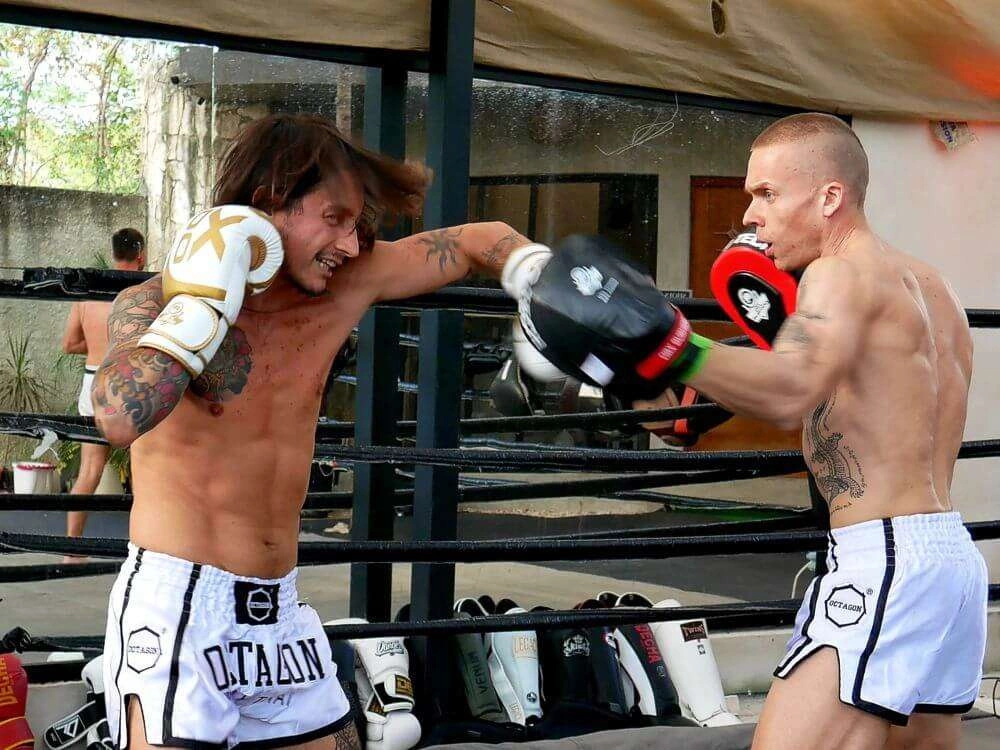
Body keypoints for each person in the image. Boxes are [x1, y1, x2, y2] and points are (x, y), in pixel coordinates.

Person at [502, 113, 987, 750]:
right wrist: (679, 384)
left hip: (885, 558)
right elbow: (851, 399)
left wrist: (673, 344)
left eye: (767, 194)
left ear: (830, 197)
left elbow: (791, 390)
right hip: (949, 558)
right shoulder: (932, 285)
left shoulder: (838, 274)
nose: (751, 216)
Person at [90, 113, 532, 750]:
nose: (349, 244)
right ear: (269, 200)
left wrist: (536, 272)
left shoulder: (343, 286)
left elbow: (473, 241)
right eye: (334, 218)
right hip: (180, 606)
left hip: (280, 610)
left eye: (356, 224)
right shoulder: (151, 304)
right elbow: (116, 418)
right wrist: (201, 309)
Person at [60, 228, 145, 562]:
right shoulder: (143, 292)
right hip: (128, 381)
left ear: (113, 253)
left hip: (93, 381)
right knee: (145, 469)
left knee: (89, 471)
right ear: (140, 254)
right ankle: (144, 552)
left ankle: (71, 551)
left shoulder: (88, 295)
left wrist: (99, 345)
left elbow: (69, 344)